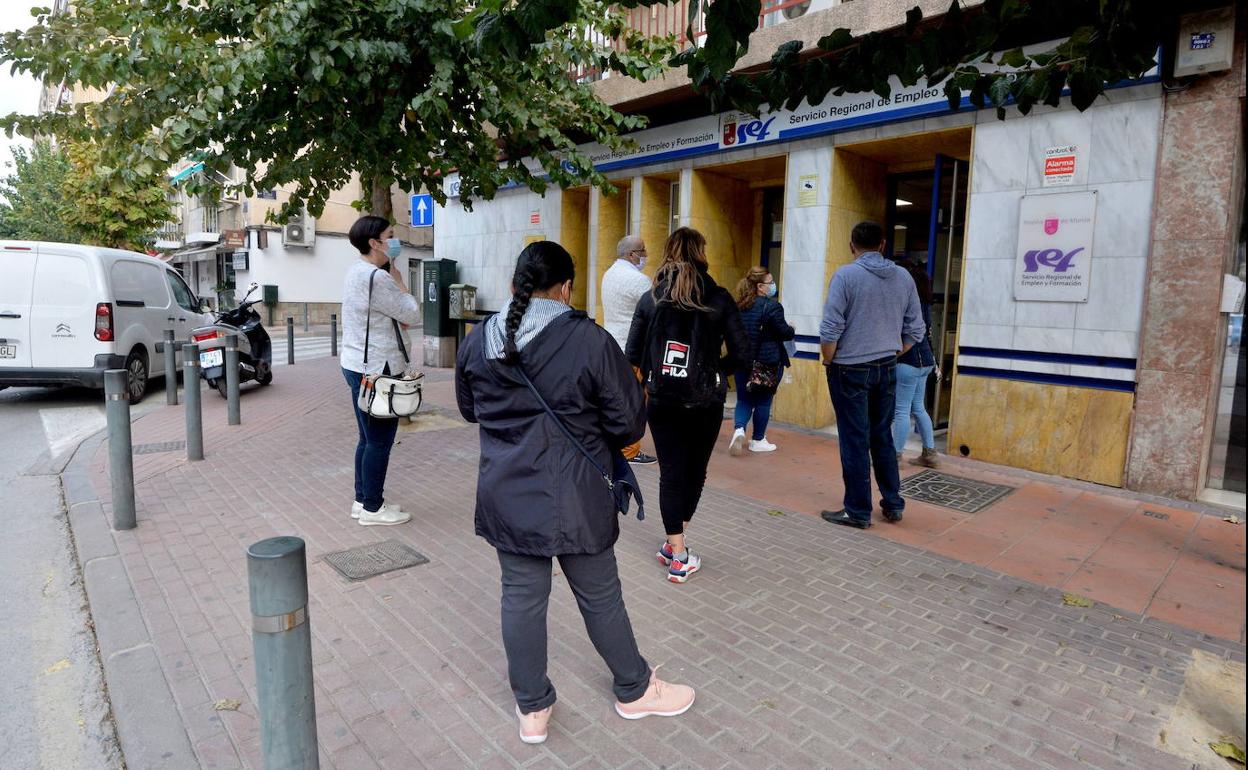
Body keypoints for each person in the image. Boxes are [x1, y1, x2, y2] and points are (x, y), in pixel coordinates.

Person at [455, 241, 696, 746]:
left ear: (514, 284)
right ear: (566, 287)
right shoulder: (588, 340)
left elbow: (469, 409)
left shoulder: (479, 340)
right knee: (601, 597)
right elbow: (629, 420)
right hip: (576, 495)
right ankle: (633, 689)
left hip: (506, 494)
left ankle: (532, 709)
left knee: (520, 598)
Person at [626, 227, 749, 582]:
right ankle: (679, 554)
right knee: (695, 472)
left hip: (662, 400)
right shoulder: (720, 298)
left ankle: (673, 544)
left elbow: (632, 354)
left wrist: (653, 374)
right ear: (700, 253)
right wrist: (713, 372)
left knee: (671, 474)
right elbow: (743, 354)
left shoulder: (650, 299)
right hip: (705, 403)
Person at [819, 221, 925, 529]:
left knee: (854, 440)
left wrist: (829, 360)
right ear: (882, 244)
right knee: (881, 436)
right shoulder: (903, 277)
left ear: (852, 246)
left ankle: (857, 510)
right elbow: (915, 328)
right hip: (886, 366)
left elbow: (830, 328)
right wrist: (894, 351)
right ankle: (893, 503)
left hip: (849, 368)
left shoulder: (846, 276)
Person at [340, 215, 422, 526]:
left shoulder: (356, 273)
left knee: (366, 438)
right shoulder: (378, 278)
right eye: (390, 235)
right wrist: (400, 281)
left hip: (357, 365)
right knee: (378, 441)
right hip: (377, 369)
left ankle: (363, 501)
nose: (394, 240)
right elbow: (411, 314)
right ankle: (373, 509)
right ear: (375, 243)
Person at [600, 235, 657, 466]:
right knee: (634, 401)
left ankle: (613, 443)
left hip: (611, 344)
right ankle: (630, 450)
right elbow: (653, 315)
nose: (645, 255)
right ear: (632, 254)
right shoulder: (639, 280)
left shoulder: (608, 274)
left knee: (614, 399)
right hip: (633, 350)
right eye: (643, 250)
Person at [730, 266, 795, 455]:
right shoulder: (772, 306)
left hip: (743, 361)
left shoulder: (739, 306)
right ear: (760, 286)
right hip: (767, 362)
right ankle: (757, 439)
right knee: (763, 401)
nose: (773, 285)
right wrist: (791, 328)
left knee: (743, 399)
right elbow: (784, 332)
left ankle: (739, 429)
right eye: (770, 282)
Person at [892, 257, 940, 468]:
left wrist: (896, 353)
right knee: (918, 407)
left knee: (901, 410)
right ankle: (929, 453)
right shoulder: (925, 301)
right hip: (926, 360)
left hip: (908, 360)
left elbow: (908, 332)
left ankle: (894, 456)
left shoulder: (907, 300)